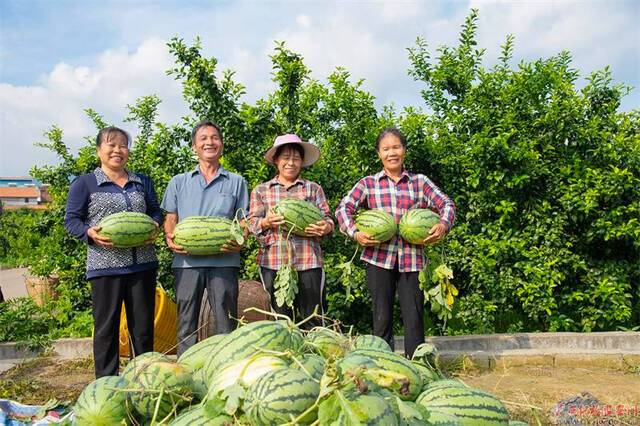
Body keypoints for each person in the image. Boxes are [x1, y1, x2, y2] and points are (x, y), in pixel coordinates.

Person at [335, 127, 455, 358]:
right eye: (386, 149)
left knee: (414, 317)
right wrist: (355, 232)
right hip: (378, 258)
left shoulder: (419, 182)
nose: (392, 153)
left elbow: (446, 204)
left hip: (413, 259)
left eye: (396, 147)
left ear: (404, 151)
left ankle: (418, 365)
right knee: (382, 317)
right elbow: (344, 208)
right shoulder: (368, 183)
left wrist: (443, 225)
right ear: (379, 154)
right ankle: (383, 365)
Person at [64, 126, 162, 378]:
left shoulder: (142, 181)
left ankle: (144, 380)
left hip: (143, 265)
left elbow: (155, 211)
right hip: (104, 267)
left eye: (123, 145)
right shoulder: (85, 183)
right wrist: (90, 233)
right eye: (111, 144)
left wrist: (155, 225)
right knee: (106, 329)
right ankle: (107, 384)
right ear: (99, 150)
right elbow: (72, 221)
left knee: (142, 330)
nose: (118, 150)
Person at [162, 121, 249, 356]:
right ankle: (187, 373)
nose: (209, 142)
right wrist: (170, 237)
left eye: (214, 137)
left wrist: (240, 239)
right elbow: (171, 217)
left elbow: (243, 221)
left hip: (225, 260)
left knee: (225, 321)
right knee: (186, 322)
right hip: (187, 262)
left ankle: (223, 370)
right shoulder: (178, 181)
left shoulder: (236, 181)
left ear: (221, 144)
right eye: (203, 138)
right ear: (194, 147)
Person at [249, 134, 333, 325]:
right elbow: (252, 223)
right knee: (279, 319)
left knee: (313, 318)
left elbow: (327, 218)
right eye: (286, 157)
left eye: (296, 158)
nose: (291, 162)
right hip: (273, 262)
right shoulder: (262, 190)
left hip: (308, 261)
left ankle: (314, 353)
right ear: (276, 160)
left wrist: (326, 227)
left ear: (302, 162)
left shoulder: (313, 189)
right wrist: (266, 222)